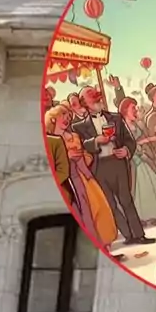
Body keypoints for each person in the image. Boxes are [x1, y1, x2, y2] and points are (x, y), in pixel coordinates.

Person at [72, 85, 152, 248]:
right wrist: (95, 141)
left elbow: (130, 141)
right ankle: (128, 235)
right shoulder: (78, 127)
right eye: (90, 95)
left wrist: (126, 150)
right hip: (99, 168)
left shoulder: (115, 118)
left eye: (96, 94)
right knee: (110, 204)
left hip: (117, 163)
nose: (96, 96)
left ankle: (139, 235)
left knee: (126, 200)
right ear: (84, 102)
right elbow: (78, 147)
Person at [46, 104, 118, 247]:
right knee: (82, 214)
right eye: (63, 116)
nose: (67, 119)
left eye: (68, 116)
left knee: (98, 209)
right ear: (53, 119)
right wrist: (67, 156)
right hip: (67, 180)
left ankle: (103, 244)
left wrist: (84, 161)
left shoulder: (74, 136)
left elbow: (84, 159)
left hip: (82, 178)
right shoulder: (50, 140)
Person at [118, 97, 156, 225]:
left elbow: (141, 140)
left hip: (141, 157)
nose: (136, 110)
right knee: (140, 188)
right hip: (134, 161)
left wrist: (152, 139)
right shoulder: (123, 128)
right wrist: (145, 142)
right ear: (126, 110)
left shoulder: (135, 124)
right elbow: (130, 144)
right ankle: (141, 217)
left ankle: (155, 214)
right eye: (133, 108)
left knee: (151, 185)